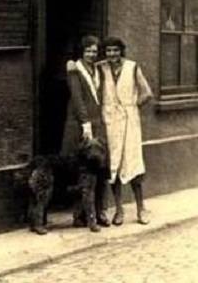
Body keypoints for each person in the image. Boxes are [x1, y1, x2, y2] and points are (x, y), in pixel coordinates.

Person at [99, 36, 153, 225]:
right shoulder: (101, 68)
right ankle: (119, 210)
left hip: (130, 121)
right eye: (108, 51)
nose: (112, 54)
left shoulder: (132, 67)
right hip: (110, 121)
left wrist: (132, 106)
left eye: (115, 50)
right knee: (113, 165)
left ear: (121, 51)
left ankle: (141, 208)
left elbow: (147, 93)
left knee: (133, 163)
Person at [61, 35, 109, 232]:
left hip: (97, 122)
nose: (92, 54)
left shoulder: (98, 70)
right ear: (82, 52)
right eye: (88, 51)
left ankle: (99, 211)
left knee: (99, 168)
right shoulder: (75, 70)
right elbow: (78, 98)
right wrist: (85, 123)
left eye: (95, 51)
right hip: (79, 125)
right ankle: (78, 214)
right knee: (80, 170)